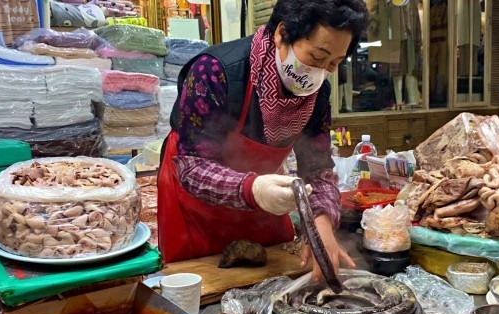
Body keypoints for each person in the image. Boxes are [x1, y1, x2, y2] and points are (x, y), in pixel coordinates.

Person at [157, 0, 369, 280]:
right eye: (318, 57)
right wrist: (253, 188)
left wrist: (322, 223)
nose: (323, 71)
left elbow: (318, 170)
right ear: (282, 34)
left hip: (263, 206)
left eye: (334, 63)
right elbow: (191, 167)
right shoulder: (216, 71)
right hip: (195, 212)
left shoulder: (318, 93)